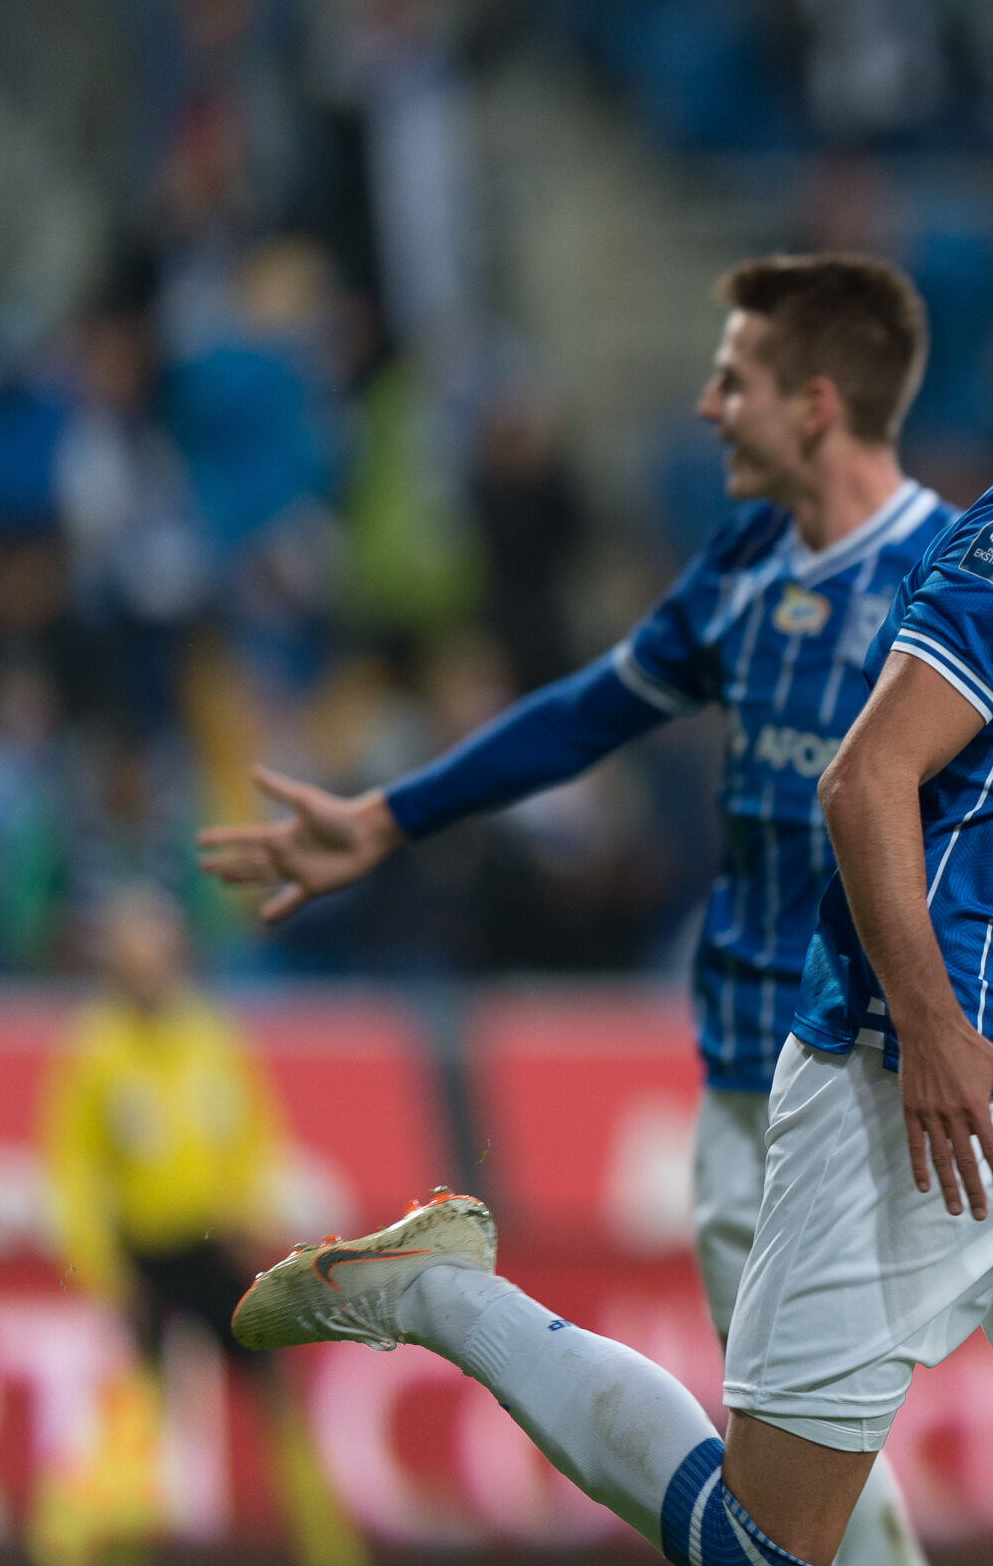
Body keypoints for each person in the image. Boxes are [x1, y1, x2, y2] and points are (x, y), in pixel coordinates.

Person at [224, 198, 993, 1566]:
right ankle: (441, 1302)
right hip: (904, 1088)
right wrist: (927, 1029)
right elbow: (863, 780)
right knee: (766, 1549)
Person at [196, 253, 949, 1566]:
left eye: (736, 381)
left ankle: (447, 1304)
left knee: (807, 1513)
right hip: (767, 1087)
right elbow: (594, 708)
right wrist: (389, 816)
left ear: (818, 403)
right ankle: (445, 1303)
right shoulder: (743, 566)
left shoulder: (962, 579)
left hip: (924, 1082)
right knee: (794, 1517)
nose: (707, 406)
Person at [39, 883, 362, 1566]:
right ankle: (94, 1543)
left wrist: (253, 1212)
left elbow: (253, 1135)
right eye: (136, 950)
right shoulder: (94, 1052)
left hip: (219, 1247)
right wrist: (100, 1265)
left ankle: (329, 1546)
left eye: (159, 946)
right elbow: (75, 1172)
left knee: (276, 1399)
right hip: (145, 1253)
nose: (151, 963)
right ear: (116, 964)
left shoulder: (211, 1035)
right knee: (138, 1414)